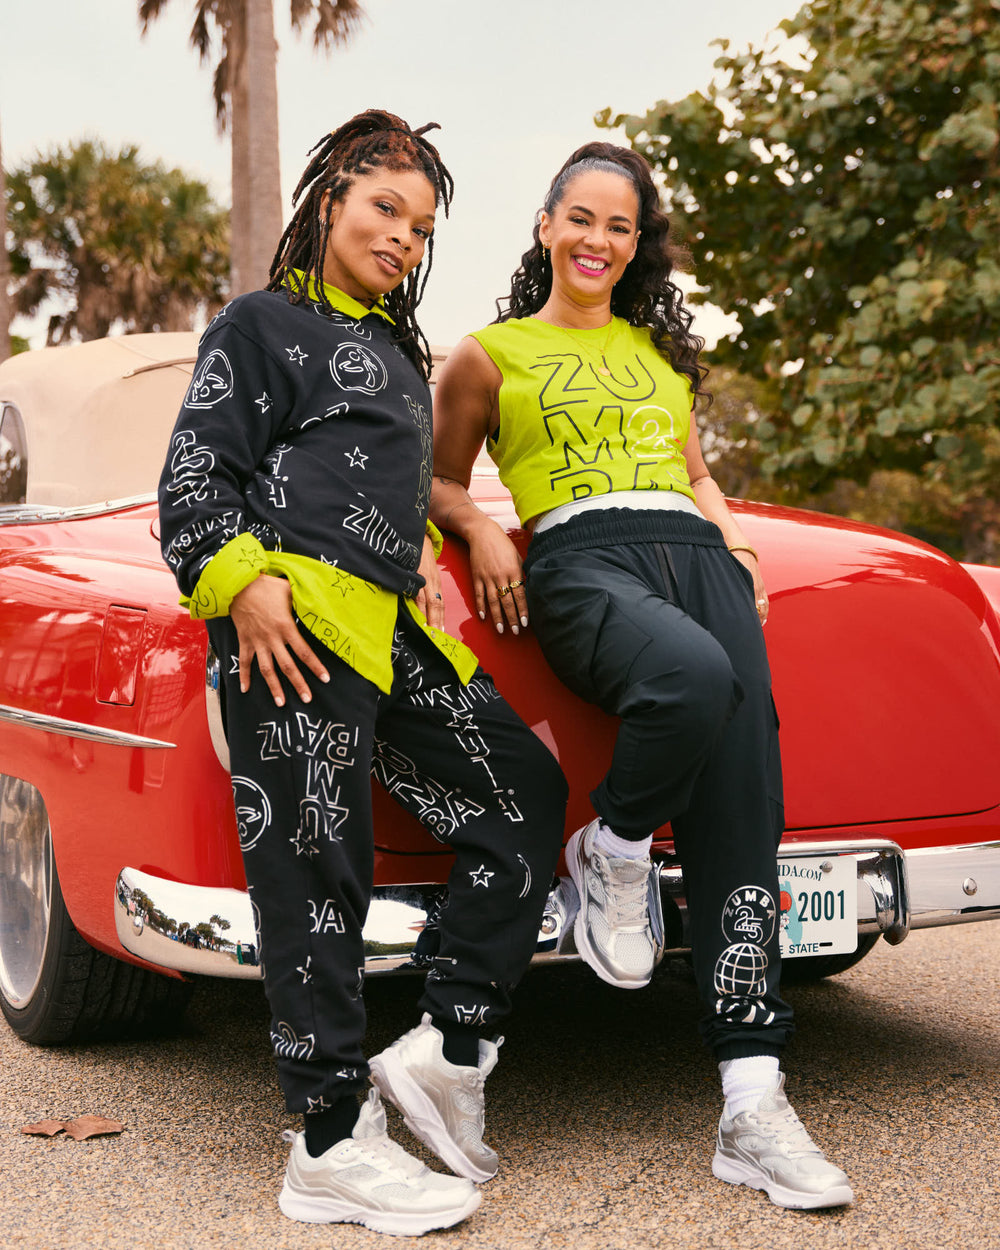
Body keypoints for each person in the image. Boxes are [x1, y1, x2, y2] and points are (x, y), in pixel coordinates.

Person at [157, 110, 567, 1236]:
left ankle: (443, 1052)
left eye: (421, 225)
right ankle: (327, 1141)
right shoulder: (258, 325)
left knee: (521, 798)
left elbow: (390, 491)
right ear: (331, 195)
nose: (402, 237)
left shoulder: (396, 347)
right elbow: (194, 479)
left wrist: (441, 552)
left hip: (384, 630)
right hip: (287, 625)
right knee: (316, 869)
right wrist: (244, 584)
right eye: (386, 207)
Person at [430, 140, 853, 1211]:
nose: (597, 240)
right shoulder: (489, 354)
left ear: (635, 244)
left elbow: (698, 474)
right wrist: (479, 523)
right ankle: (610, 843)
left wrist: (740, 542)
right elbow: (434, 474)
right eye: (580, 217)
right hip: (580, 560)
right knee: (691, 679)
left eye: (619, 226)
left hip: (699, 555)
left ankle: (752, 1099)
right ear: (545, 225)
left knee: (743, 814)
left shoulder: (659, 353)